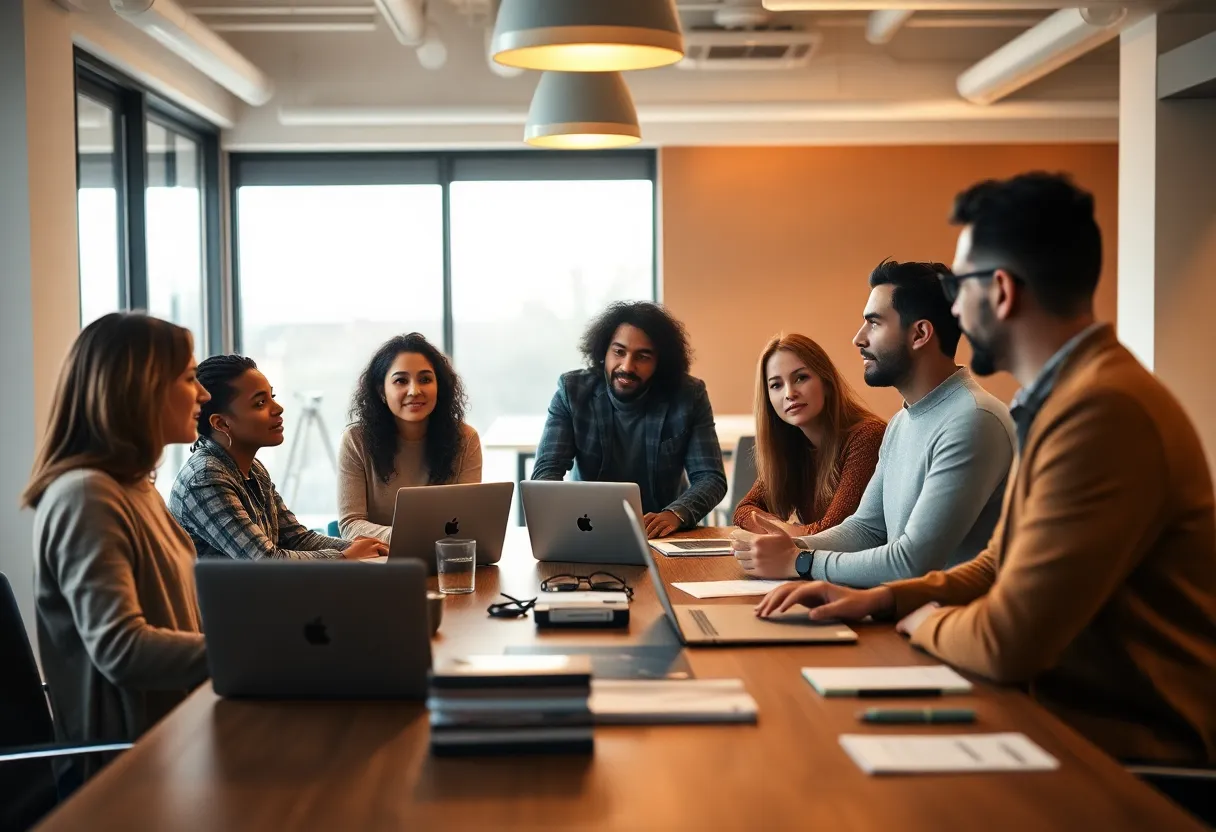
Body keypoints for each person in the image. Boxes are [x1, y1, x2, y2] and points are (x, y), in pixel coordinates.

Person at [756, 172, 1216, 766]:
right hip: (1069, 723)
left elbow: (1007, 641)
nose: (953, 306)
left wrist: (918, 620)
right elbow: (998, 562)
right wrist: (884, 601)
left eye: (962, 283)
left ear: (999, 291)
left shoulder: (1104, 410)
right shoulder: (1064, 398)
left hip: (1129, 756)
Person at [732, 260, 1015, 585]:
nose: (858, 338)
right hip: (905, 613)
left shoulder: (973, 420)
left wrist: (801, 561)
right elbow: (865, 529)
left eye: (874, 323)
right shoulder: (900, 424)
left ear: (920, 334)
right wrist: (787, 547)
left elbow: (913, 562)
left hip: (952, 624)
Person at [22, 313, 211, 778]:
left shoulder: (135, 487)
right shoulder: (86, 496)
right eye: (190, 378)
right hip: (130, 765)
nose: (204, 394)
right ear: (142, 388)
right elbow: (122, 649)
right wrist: (250, 652)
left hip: (178, 735)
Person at [532, 301, 728, 539]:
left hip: (663, 533)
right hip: (587, 529)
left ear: (660, 362)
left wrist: (675, 514)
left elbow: (710, 477)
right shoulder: (572, 392)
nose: (627, 366)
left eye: (642, 357)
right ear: (603, 352)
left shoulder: (688, 396)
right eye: (619, 352)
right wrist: (562, 520)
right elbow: (546, 472)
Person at [170, 355, 386, 561]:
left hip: (261, 595)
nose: (278, 408)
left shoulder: (253, 468)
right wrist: (345, 557)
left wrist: (367, 548)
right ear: (221, 424)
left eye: (271, 397)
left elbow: (297, 538)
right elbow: (265, 560)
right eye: (260, 403)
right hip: (225, 600)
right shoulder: (205, 477)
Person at [733, 333, 886, 536]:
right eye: (776, 385)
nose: (789, 393)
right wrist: (786, 530)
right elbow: (744, 510)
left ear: (827, 383)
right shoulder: (792, 446)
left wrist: (787, 532)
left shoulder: (867, 437)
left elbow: (834, 533)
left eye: (801, 378)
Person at [339, 333, 482, 542]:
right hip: (382, 564)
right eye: (401, 381)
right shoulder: (356, 441)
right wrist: (407, 537)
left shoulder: (466, 438)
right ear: (381, 392)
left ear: (438, 387)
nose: (414, 391)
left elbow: (468, 520)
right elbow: (350, 525)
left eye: (425, 379)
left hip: (445, 558)